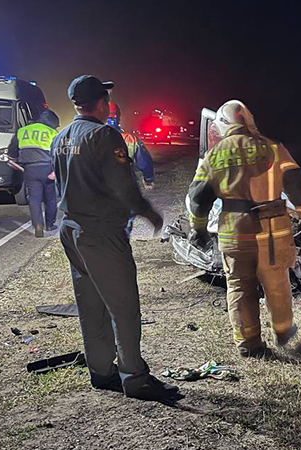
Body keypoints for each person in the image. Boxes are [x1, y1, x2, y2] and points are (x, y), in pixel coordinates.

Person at [51, 75, 178, 401]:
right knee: (123, 308)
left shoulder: (61, 137)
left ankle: (101, 372)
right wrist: (148, 212)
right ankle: (135, 379)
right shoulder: (104, 135)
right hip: (102, 233)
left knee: (90, 305)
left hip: (71, 230)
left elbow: (59, 187)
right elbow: (123, 186)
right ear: (101, 102)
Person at [186, 100, 301, 357]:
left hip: (234, 233)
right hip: (273, 233)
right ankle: (283, 331)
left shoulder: (214, 155)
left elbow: (198, 198)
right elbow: (297, 186)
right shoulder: (273, 148)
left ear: (223, 125)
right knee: (277, 282)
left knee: (239, 286)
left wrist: (198, 229)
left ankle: (248, 344)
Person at [9, 109, 60, 237]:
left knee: (34, 198)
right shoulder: (52, 132)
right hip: (47, 168)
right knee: (50, 198)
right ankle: (49, 224)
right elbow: (58, 152)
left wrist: (15, 160)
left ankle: (38, 225)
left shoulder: (22, 131)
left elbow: (13, 150)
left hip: (29, 169)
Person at [106, 101, 155, 235]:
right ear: (118, 117)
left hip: (98, 188)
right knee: (125, 223)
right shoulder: (130, 139)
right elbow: (144, 162)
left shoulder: (90, 137)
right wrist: (148, 179)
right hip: (125, 187)